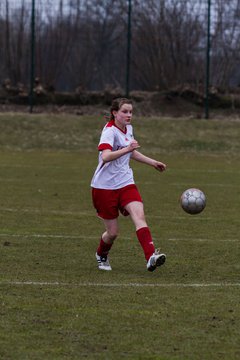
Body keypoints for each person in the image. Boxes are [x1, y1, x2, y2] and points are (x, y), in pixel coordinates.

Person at [91, 98, 167, 272]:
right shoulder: (109, 131)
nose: (129, 115)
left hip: (125, 182)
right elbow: (106, 156)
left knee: (139, 216)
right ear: (115, 113)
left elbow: (131, 152)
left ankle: (150, 257)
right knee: (112, 233)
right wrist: (127, 149)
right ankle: (101, 255)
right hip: (104, 187)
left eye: (131, 112)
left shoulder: (128, 129)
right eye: (125, 111)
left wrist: (152, 162)